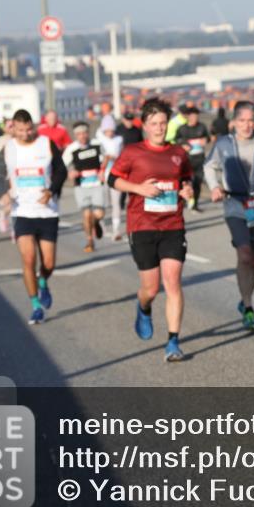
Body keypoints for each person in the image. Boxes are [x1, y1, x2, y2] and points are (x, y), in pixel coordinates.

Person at [108, 97, 194, 362]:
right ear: (144, 125)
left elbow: (187, 179)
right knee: (151, 289)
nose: (159, 128)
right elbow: (112, 179)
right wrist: (138, 188)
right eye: (154, 123)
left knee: (173, 282)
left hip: (172, 225)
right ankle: (143, 306)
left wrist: (188, 190)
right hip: (142, 226)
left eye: (163, 123)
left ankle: (173, 342)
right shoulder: (132, 152)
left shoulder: (178, 153)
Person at [204, 102, 254, 330]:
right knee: (245, 254)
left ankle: (245, 297)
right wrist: (214, 187)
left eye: (251, 120)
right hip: (235, 203)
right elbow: (209, 166)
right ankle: (248, 306)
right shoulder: (224, 143)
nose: (247, 125)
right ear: (234, 122)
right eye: (242, 120)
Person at [4, 109, 68, 325]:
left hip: (47, 211)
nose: (25, 134)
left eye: (28, 129)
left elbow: (61, 171)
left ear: (33, 126)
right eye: (20, 130)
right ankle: (35, 306)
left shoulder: (46, 143)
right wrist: (3, 193)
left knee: (48, 264)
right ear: (14, 128)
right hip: (22, 211)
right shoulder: (8, 148)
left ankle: (43, 282)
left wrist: (51, 190)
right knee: (28, 259)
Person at [63, 122, 109, 252]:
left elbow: (106, 157)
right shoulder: (71, 149)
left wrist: (102, 171)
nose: (82, 136)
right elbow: (62, 165)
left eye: (84, 133)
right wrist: (70, 172)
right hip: (81, 186)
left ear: (88, 133)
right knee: (86, 214)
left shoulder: (97, 144)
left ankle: (96, 222)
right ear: (75, 135)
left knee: (99, 213)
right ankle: (90, 241)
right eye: (79, 134)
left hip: (97, 184)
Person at [173, 106, 211, 212]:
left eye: (196, 116)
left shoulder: (202, 127)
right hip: (186, 159)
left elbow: (208, 138)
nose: (195, 118)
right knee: (184, 182)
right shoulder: (182, 128)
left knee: (197, 182)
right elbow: (176, 140)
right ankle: (183, 202)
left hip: (199, 158)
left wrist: (205, 140)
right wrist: (183, 144)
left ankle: (195, 205)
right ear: (188, 117)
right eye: (193, 116)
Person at [95, 115, 125, 240]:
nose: (110, 132)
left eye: (112, 130)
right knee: (103, 203)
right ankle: (101, 226)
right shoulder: (99, 140)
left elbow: (123, 156)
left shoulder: (119, 140)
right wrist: (105, 159)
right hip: (102, 176)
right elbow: (97, 159)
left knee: (116, 203)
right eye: (107, 130)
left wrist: (115, 157)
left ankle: (116, 230)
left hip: (116, 175)